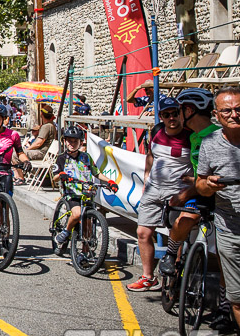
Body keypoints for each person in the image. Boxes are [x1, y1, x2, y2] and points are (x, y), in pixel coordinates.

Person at [194, 87, 240, 336]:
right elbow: (201, 184)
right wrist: (209, 186)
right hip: (229, 228)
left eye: (239, 109)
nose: (234, 115)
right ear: (216, 115)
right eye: (227, 111)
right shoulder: (210, 143)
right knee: (239, 298)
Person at [128, 96, 192, 292]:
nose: (171, 118)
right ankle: (148, 277)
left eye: (174, 113)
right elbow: (151, 155)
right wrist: (147, 178)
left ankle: (175, 278)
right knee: (143, 233)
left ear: (180, 113)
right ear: (161, 117)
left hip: (177, 192)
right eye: (166, 115)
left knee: (177, 234)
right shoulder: (156, 132)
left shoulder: (191, 136)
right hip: (153, 190)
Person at [159, 88, 218, 277]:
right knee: (183, 219)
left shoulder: (217, 135)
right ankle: (170, 255)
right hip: (200, 191)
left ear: (190, 111)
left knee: (223, 254)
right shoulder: (193, 136)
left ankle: (225, 302)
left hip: (219, 195)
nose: (177, 115)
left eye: (180, 110)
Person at [52, 126, 118, 253]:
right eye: (69, 141)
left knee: (88, 226)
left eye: (75, 141)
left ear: (80, 143)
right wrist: (61, 175)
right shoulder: (61, 158)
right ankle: (66, 232)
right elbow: (55, 176)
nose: (72, 144)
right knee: (77, 214)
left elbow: (96, 173)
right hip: (72, 194)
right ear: (65, 141)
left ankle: (85, 253)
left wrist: (110, 181)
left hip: (88, 194)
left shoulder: (86, 157)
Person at [17, 104, 57, 183]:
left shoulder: (46, 127)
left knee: (17, 153)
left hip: (42, 153)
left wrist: (27, 149)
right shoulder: (51, 125)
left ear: (42, 115)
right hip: (46, 154)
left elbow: (38, 143)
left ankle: (20, 177)